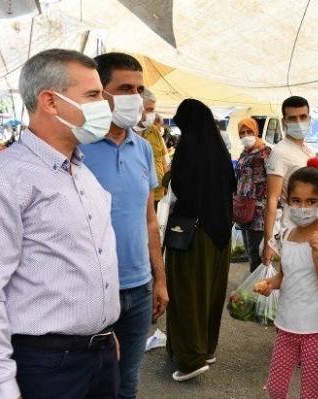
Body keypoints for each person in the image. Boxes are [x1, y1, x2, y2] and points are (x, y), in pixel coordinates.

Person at [0, 49, 121, 398]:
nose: (105, 106)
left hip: (98, 356)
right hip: (45, 366)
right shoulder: (1, 180)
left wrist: (104, 333)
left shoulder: (82, 173)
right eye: (92, 96)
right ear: (50, 101)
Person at [79, 52, 169, 399]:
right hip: (91, 290)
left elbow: (149, 220)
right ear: (100, 93)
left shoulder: (142, 149)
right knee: (88, 384)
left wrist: (159, 279)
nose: (136, 97)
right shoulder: (78, 147)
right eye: (125, 88)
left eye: (139, 88)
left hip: (138, 289)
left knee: (126, 384)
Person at [254, 162, 318, 399]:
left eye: (310, 202)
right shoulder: (284, 236)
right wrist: (268, 284)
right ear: (288, 200)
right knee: (275, 387)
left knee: (309, 394)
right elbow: (285, 275)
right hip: (286, 325)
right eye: (296, 200)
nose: (302, 207)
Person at [165, 99, 235, 381]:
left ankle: (190, 360)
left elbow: (180, 185)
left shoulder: (188, 147)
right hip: (220, 234)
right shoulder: (219, 149)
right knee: (210, 293)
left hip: (191, 234)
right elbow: (230, 185)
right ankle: (206, 349)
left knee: (186, 294)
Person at [262, 96, 316, 265]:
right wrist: (268, 242)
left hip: (312, 225)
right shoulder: (280, 152)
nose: (298, 122)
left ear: (309, 118)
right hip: (292, 228)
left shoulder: (309, 150)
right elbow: (272, 199)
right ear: (284, 121)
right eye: (292, 118)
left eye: (302, 117)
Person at [235, 117, 272, 272]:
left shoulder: (266, 152)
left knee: (255, 249)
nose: (246, 135)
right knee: (250, 249)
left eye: (249, 131)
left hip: (257, 210)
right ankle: (253, 284)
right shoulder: (244, 153)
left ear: (256, 131)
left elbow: (272, 179)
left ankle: (258, 285)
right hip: (242, 207)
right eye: (242, 133)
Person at [135, 88, 169, 209]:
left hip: (158, 195)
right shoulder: (125, 133)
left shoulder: (154, 130)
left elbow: (164, 161)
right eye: (148, 110)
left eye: (152, 110)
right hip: (139, 197)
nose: (151, 115)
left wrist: (166, 187)